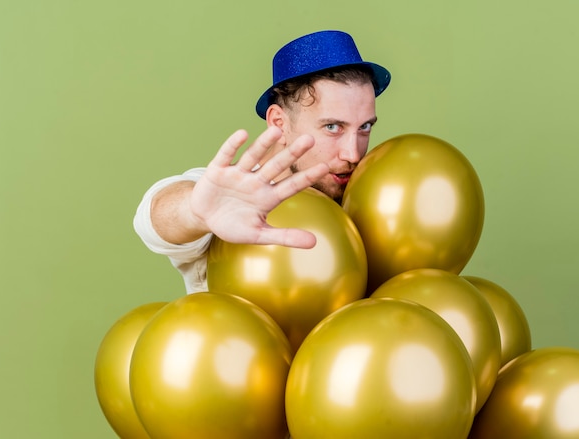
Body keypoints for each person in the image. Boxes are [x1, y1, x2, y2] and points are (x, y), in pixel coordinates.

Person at [133, 30, 391, 293]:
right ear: (279, 122)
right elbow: (153, 221)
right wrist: (196, 212)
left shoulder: (377, 201)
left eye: (365, 127)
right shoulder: (230, 194)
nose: (353, 154)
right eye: (333, 127)